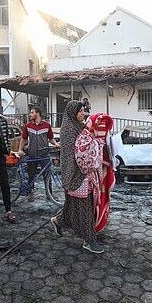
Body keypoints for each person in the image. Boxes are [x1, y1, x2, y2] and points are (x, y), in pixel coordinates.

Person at [50, 101, 105, 254]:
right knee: (85, 207)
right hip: (74, 174)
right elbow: (75, 154)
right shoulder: (68, 129)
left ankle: (57, 221)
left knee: (72, 206)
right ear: (72, 112)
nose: (83, 113)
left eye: (83, 111)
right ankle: (89, 240)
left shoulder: (80, 127)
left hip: (83, 173)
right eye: (80, 111)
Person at [17, 107, 59, 201]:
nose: (30, 114)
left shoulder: (47, 125)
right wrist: (20, 150)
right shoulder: (28, 126)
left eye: (32, 112)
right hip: (32, 155)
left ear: (38, 113)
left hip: (44, 155)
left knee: (47, 175)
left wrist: (56, 144)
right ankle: (31, 193)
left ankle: (49, 194)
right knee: (31, 175)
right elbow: (23, 139)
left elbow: (51, 139)